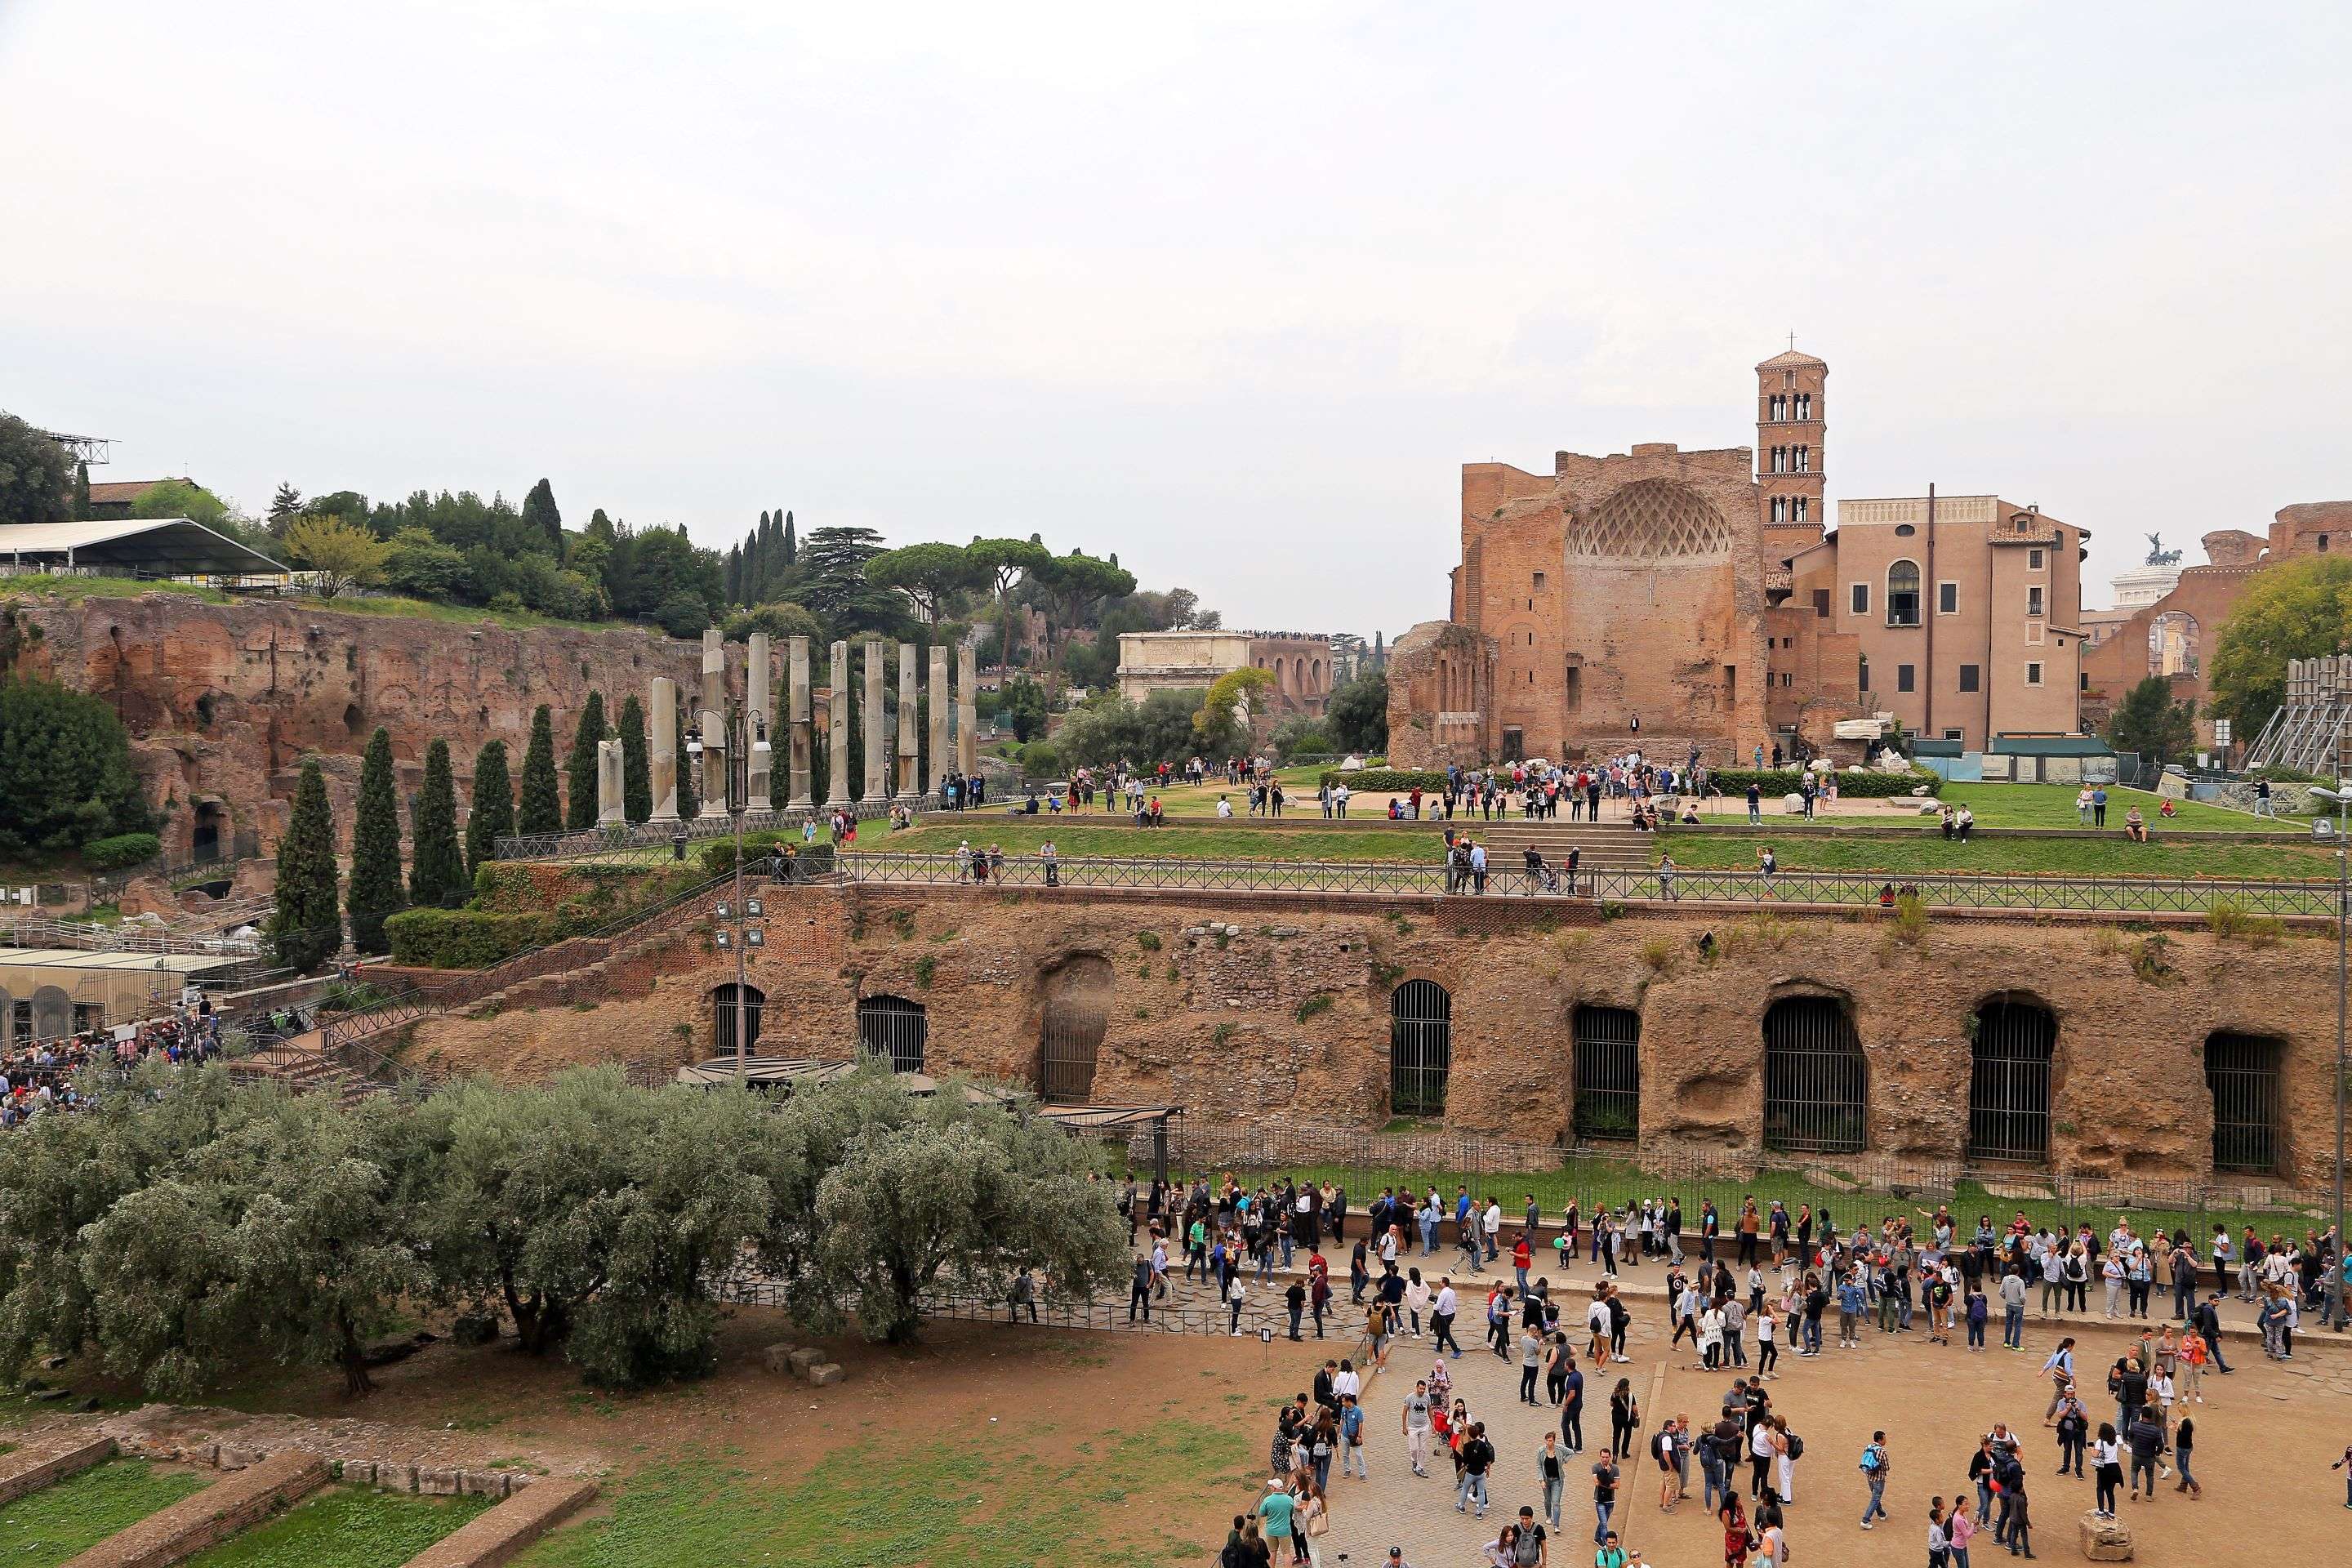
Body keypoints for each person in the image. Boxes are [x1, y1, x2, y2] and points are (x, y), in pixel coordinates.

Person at [1860, 1429, 1890, 1528]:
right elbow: (1887, 1467)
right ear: (1880, 1440)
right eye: (1884, 1438)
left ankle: (1881, 1514)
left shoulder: (1867, 1447)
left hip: (1869, 1477)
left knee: (1875, 1496)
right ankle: (1865, 1520)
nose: (1885, 1440)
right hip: (1879, 1479)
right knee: (1876, 1498)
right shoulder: (1882, 1451)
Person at [1537, 1429, 1567, 1529]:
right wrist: (1541, 1480)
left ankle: (1556, 1525)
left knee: (1556, 1502)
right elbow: (1539, 1466)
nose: (1548, 1443)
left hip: (1557, 1480)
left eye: (1550, 1440)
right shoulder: (1541, 1451)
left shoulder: (1559, 1449)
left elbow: (1570, 1453)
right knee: (1547, 1500)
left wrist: (1563, 1460)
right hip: (1546, 1480)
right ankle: (1548, 1515)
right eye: (1547, 1440)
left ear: (1554, 1441)